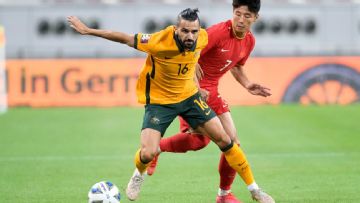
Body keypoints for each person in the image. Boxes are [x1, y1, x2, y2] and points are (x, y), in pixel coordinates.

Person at [67, 7, 274, 203]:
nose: (190, 36)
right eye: (185, 31)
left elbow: (199, 58)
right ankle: (139, 174)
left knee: (226, 140)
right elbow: (125, 38)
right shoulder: (159, 41)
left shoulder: (202, 37)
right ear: (176, 29)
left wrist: (196, 85)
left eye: (193, 31)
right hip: (160, 101)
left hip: (189, 97)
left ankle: (254, 190)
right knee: (147, 152)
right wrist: (88, 30)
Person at [146, 1, 273, 203]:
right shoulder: (217, 33)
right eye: (237, 14)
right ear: (233, 12)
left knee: (225, 143)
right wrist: (196, 83)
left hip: (212, 91)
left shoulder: (249, 41)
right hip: (190, 91)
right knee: (209, 142)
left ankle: (223, 195)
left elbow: (237, 66)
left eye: (246, 16)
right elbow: (188, 50)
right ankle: (154, 149)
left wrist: (247, 84)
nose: (240, 20)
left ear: (255, 18)